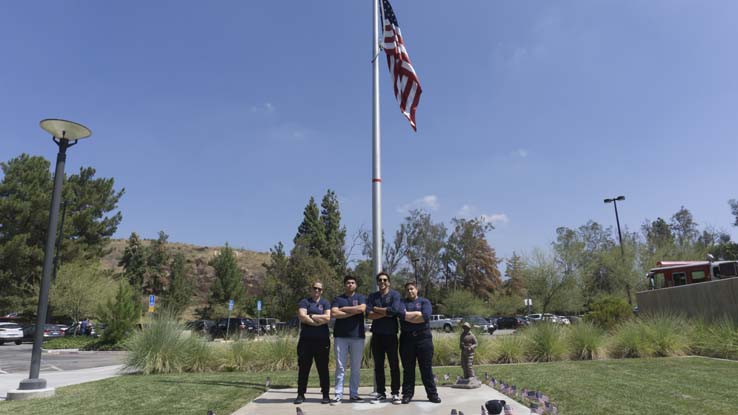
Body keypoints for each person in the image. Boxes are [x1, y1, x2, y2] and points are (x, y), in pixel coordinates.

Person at [395, 281, 441, 404]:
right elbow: (400, 314)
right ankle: (407, 394)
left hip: (423, 339)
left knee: (426, 369)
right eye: (408, 289)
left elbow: (425, 317)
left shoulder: (424, 302)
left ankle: (432, 395)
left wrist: (408, 316)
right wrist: (416, 315)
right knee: (408, 369)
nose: (410, 291)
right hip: (406, 340)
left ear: (417, 290)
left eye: (412, 289)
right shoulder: (401, 303)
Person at [329, 275, 367, 405]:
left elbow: (362, 309)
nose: (350, 284)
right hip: (341, 337)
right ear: (344, 285)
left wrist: (344, 309)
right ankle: (338, 394)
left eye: (352, 282)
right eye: (348, 283)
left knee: (356, 367)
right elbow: (334, 313)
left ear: (355, 285)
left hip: (357, 337)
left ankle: (354, 394)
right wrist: (353, 312)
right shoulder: (338, 298)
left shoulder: (361, 297)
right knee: (340, 367)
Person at [366, 271, 402, 404]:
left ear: (389, 282)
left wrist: (377, 309)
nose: (382, 282)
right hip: (377, 336)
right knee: (378, 366)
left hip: (391, 336)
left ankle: (395, 393)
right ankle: (381, 393)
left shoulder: (395, 295)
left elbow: (395, 311)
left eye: (385, 280)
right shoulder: (373, 296)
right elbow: (368, 314)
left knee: (394, 365)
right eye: (380, 280)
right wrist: (386, 312)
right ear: (377, 282)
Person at [294, 281, 332, 405]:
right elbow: (302, 315)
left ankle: (325, 395)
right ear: (311, 289)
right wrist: (316, 321)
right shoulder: (305, 301)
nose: (317, 291)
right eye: (315, 288)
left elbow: (327, 318)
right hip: (306, 341)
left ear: (322, 291)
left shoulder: (325, 303)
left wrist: (311, 316)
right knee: (304, 368)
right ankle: (300, 394)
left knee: (323, 369)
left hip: (322, 341)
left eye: (319, 289)